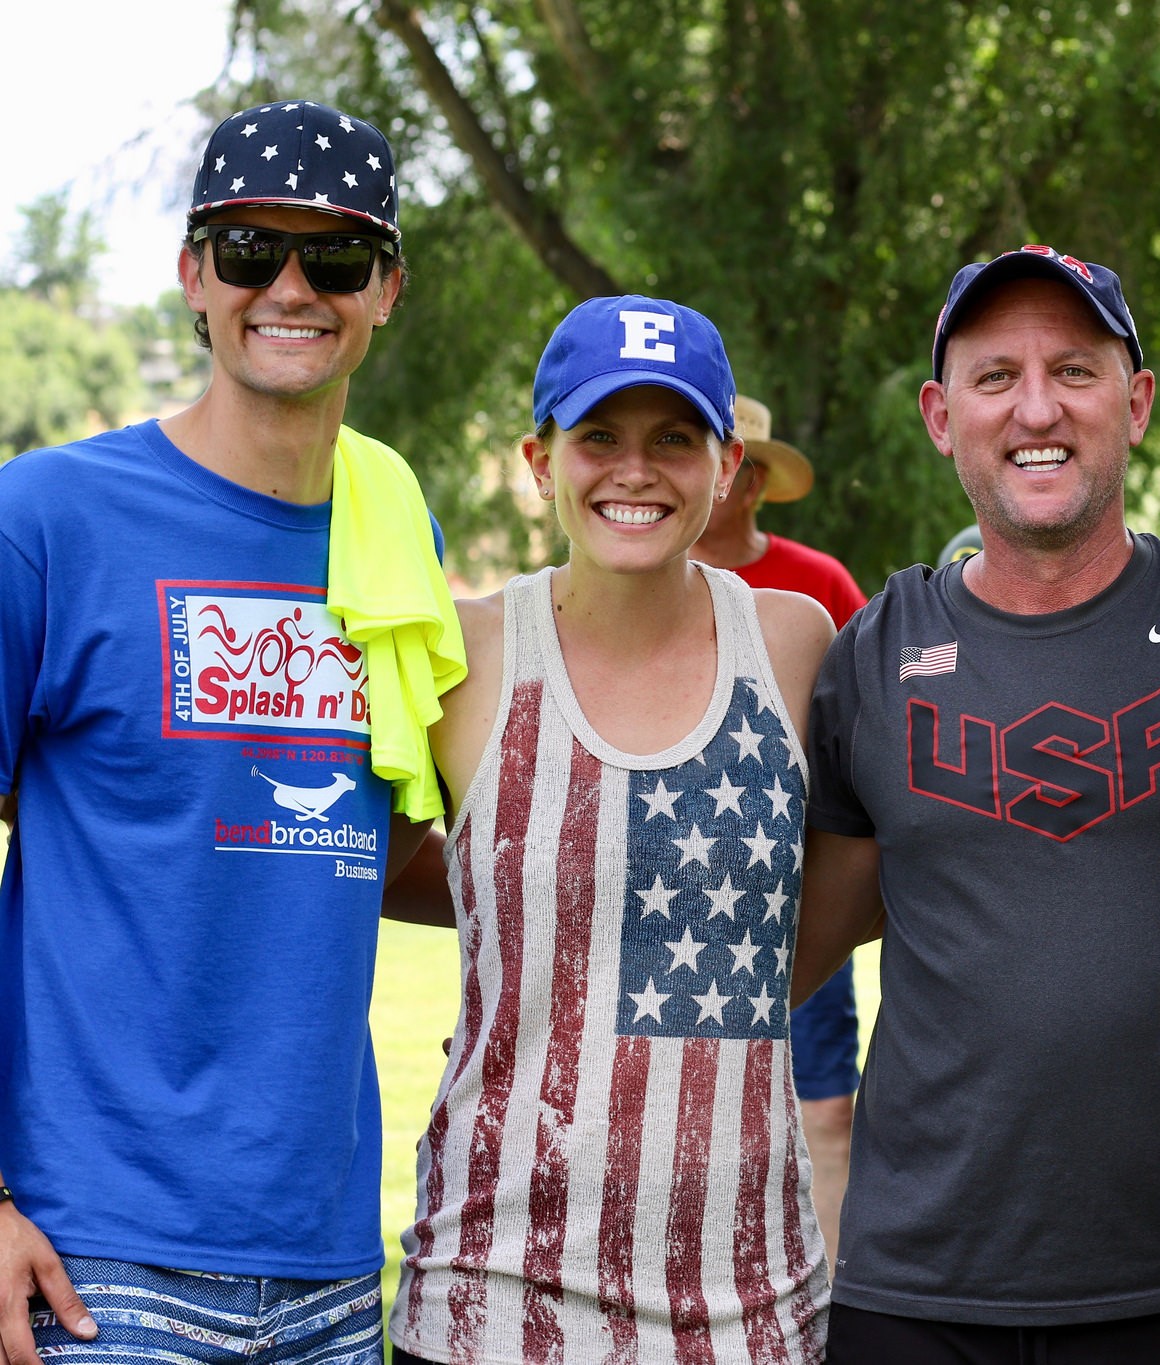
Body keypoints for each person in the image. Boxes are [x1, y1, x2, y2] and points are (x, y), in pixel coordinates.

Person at [794, 245, 1160, 1364]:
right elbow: (796, 945)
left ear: (1135, 404)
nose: (1036, 409)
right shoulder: (876, 652)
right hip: (918, 1293)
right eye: (995, 376)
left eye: (1075, 371)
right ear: (942, 417)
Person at [0, 99, 459, 1365]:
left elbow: (374, 840)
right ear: (194, 274)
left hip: (326, 1267)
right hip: (93, 1259)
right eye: (251, 250)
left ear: (387, 291)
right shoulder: (44, 520)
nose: (291, 288)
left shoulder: (394, 527)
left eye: (338, 257)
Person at [389, 296, 836, 1363]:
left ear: (727, 465)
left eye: (674, 438)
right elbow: (357, 864)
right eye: (598, 436)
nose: (635, 471)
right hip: (491, 1298)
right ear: (540, 461)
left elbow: (853, 873)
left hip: (748, 1309)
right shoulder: (464, 657)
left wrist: (732, 1000)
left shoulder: (793, 643)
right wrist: (527, 973)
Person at [688, 394, 865, 1271]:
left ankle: (833, 1297)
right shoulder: (637, 573)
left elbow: (865, 730)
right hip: (672, 894)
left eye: (740, 467)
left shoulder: (818, 582)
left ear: (751, 480)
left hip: (793, 893)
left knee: (827, 1105)